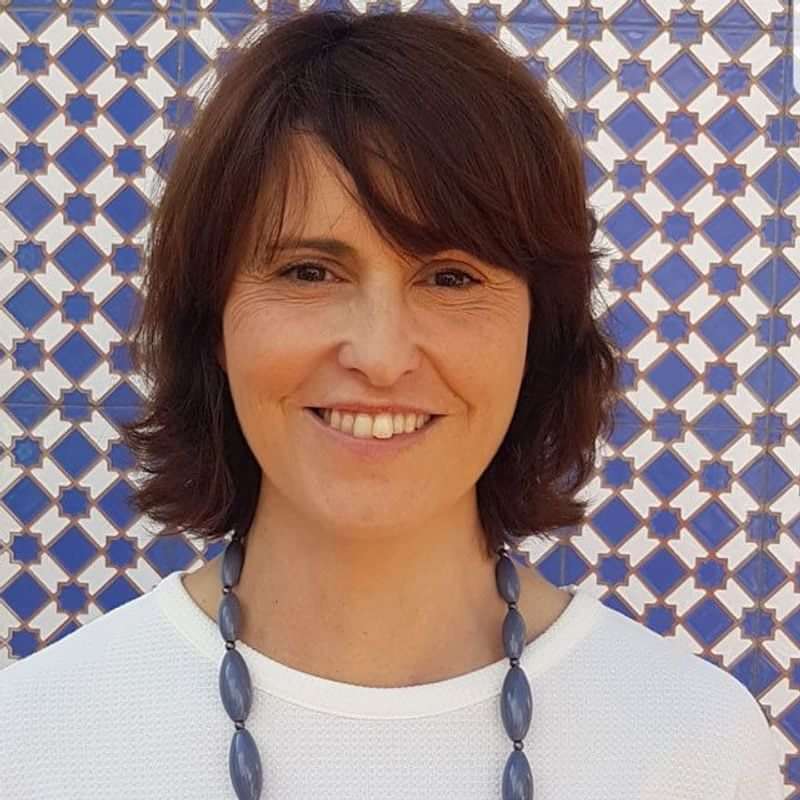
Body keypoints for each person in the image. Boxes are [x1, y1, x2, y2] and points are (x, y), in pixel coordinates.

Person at [0, 9, 782, 800]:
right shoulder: (35, 739)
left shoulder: (698, 745)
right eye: (309, 272)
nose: (379, 356)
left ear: (540, 332)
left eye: (450, 277)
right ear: (212, 323)